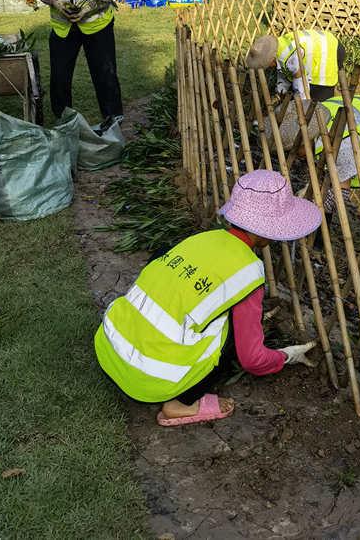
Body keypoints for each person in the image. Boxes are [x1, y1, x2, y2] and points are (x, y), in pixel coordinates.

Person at [94, 169, 322, 426]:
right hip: (148, 380)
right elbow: (252, 359)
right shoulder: (248, 271)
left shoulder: (202, 239)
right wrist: (286, 356)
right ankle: (180, 404)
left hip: (110, 346)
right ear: (267, 230)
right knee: (230, 338)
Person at [279, 94, 360, 252]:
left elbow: (340, 193)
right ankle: (317, 239)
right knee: (322, 189)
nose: (293, 154)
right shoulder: (316, 119)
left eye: (295, 149)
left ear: (308, 140)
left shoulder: (343, 145)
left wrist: (312, 203)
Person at [245, 29, 345, 102]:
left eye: (265, 64)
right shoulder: (278, 47)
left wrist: (303, 104)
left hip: (329, 49)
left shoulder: (289, 57)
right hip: (322, 43)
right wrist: (280, 92)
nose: (267, 67)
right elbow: (283, 73)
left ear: (270, 59)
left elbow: (300, 82)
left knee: (320, 97)